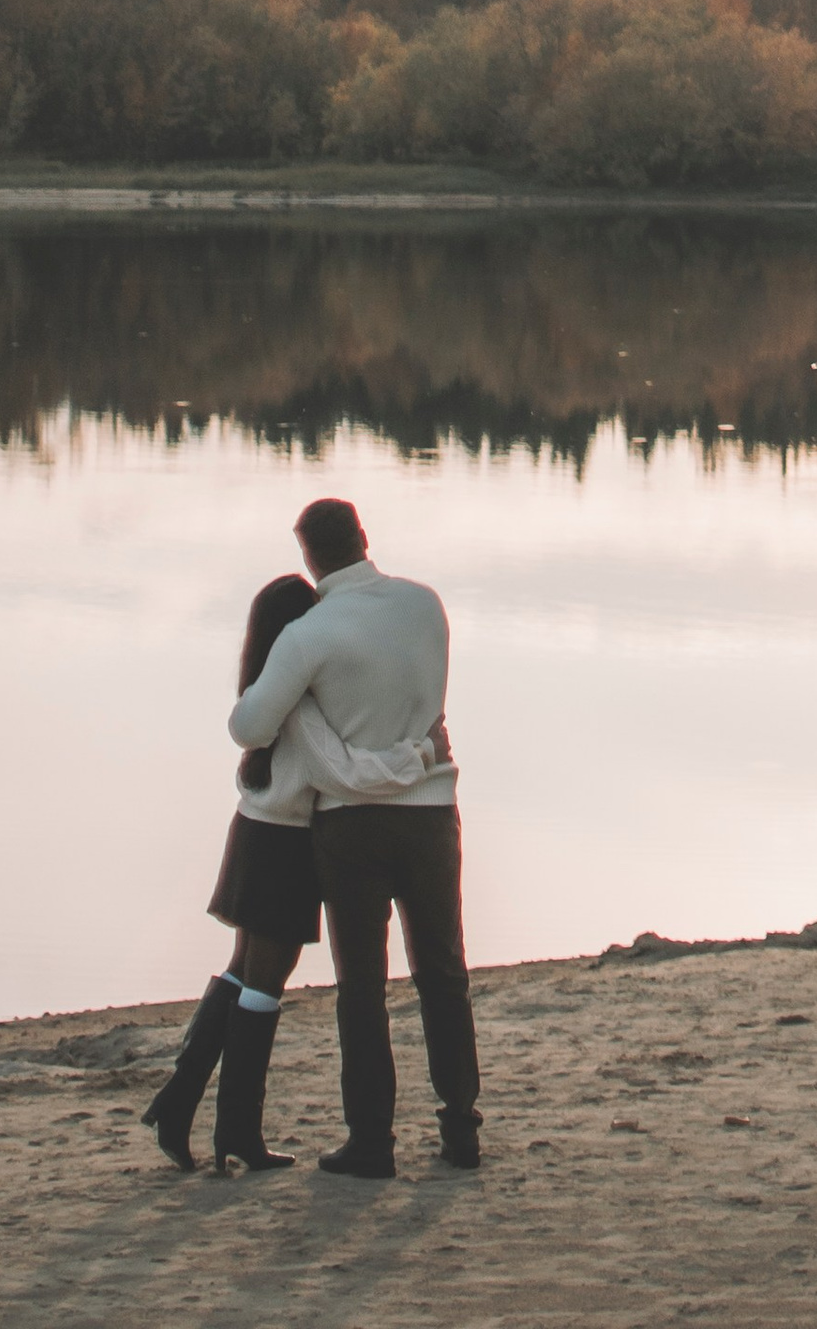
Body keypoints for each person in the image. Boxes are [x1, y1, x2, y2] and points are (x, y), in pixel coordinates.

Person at [143, 570, 440, 1176]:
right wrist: (425, 752)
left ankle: (178, 1107)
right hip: (282, 850)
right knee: (261, 988)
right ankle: (237, 1133)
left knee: (241, 971)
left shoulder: (266, 697)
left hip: (255, 836)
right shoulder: (300, 712)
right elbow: (348, 774)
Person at [228, 494, 479, 1181]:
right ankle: (461, 1124)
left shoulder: (309, 635)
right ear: (364, 537)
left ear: (307, 558)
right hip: (431, 812)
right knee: (444, 973)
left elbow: (249, 726)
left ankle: (372, 1141)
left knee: (362, 987)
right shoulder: (425, 605)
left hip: (351, 827)